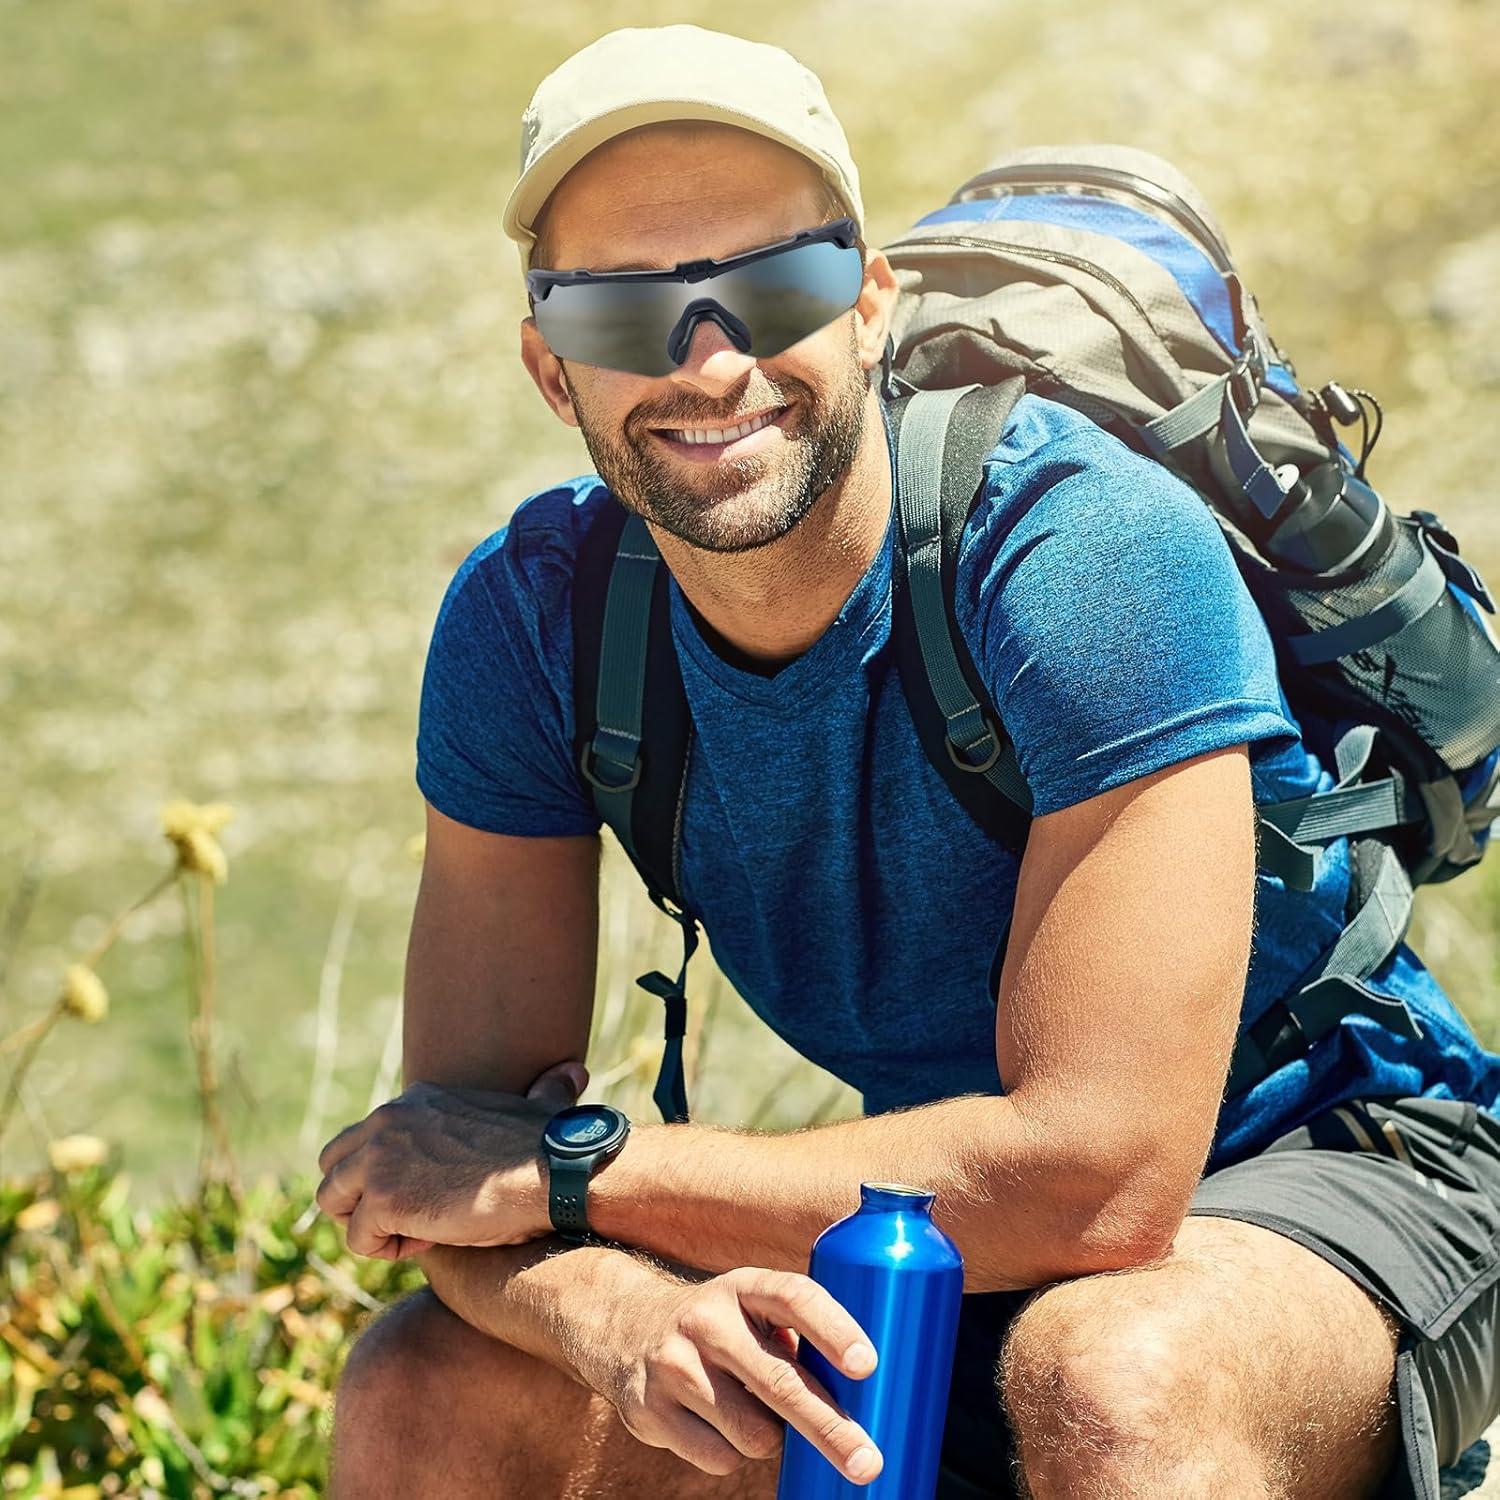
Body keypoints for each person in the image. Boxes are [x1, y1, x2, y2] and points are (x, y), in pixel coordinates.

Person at [314, 23, 1500, 1500]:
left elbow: (1102, 1177)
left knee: (1114, 1381)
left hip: (1336, 1156)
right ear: (551, 367)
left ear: (872, 304)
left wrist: (579, 1176)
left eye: (776, 285)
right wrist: (616, 1308)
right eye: (626, 313)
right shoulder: (534, 620)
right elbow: (449, 1178)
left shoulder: (1082, 553)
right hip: (948, 1215)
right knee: (428, 1392)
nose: (712, 358)